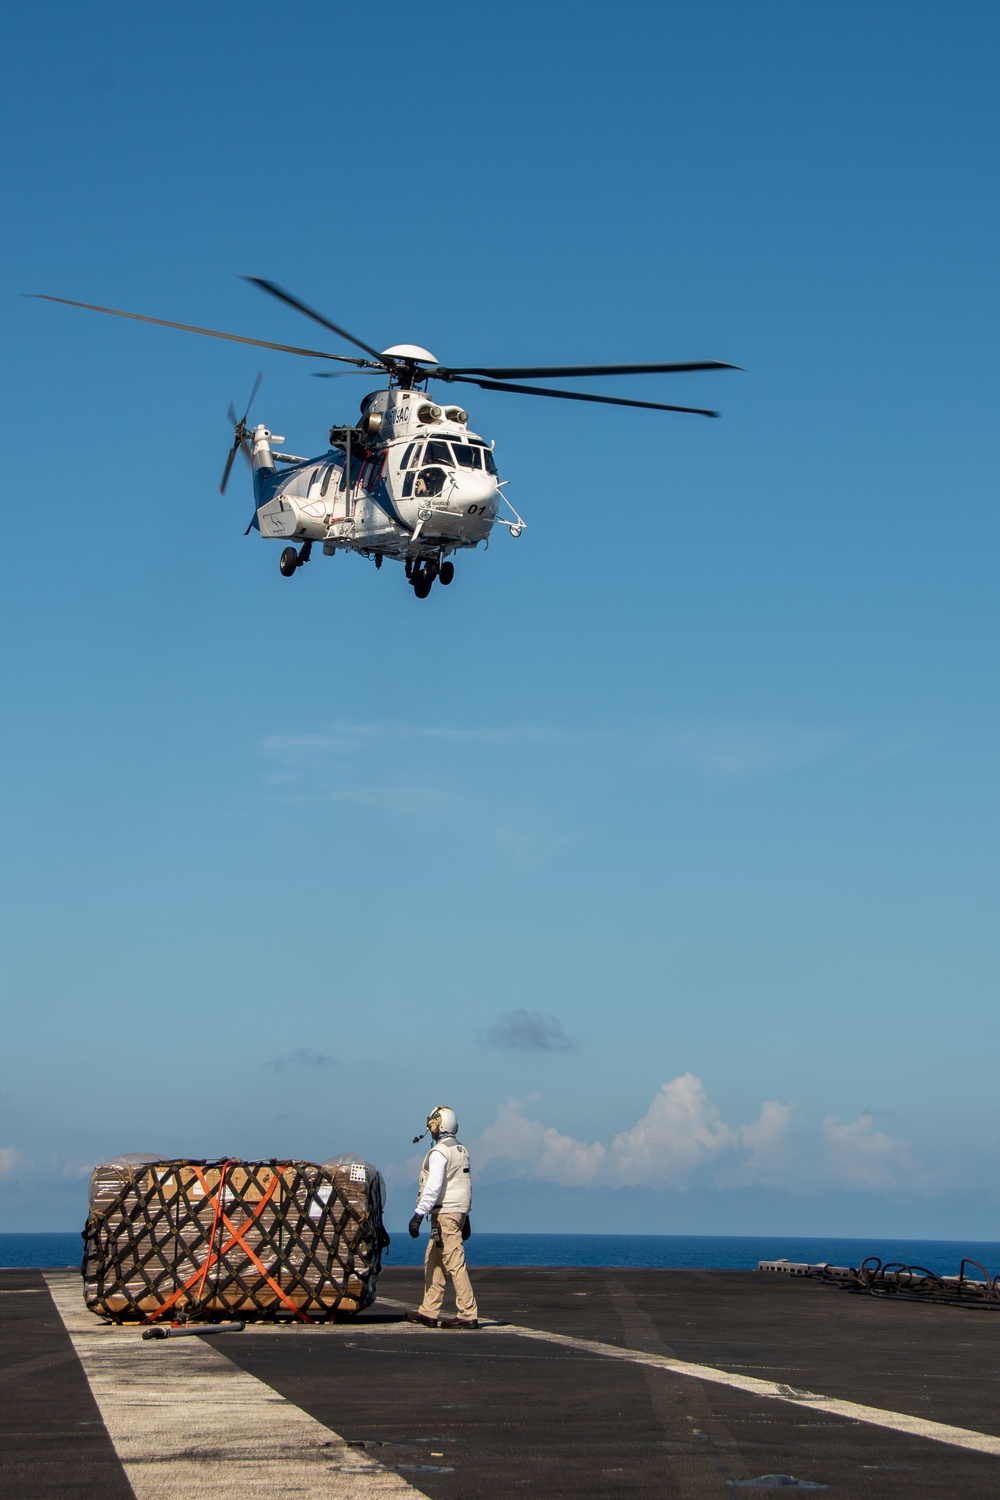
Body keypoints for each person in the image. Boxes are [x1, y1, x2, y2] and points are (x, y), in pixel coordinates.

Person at [405, 1105, 478, 1329]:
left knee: (454, 1263)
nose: (430, 1125)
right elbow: (463, 1185)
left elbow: (433, 1186)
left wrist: (419, 1214)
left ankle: (468, 1312)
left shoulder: (439, 1152)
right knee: (434, 1261)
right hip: (455, 1212)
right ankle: (429, 1310)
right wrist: (466, 1216)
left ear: (441, 1123)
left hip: (444, 1213)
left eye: (434, 1120)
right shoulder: (460, 1150)